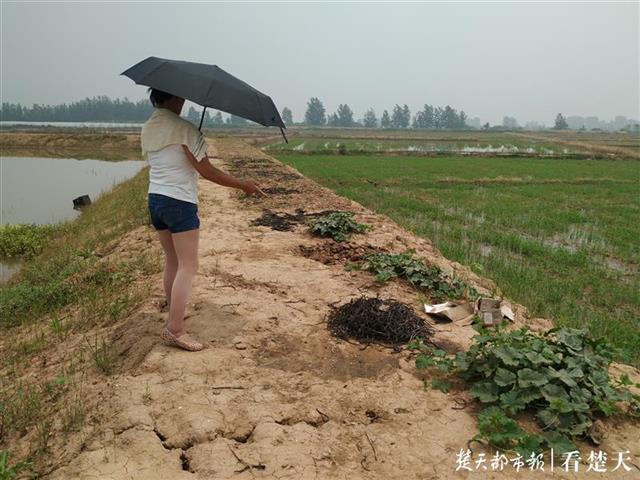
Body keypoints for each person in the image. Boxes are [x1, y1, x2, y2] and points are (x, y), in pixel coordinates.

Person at [141, 88, 265, 351]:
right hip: (179, 202)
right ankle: (175, 329)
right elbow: (206, 170)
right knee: (189, 265)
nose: (183, 100)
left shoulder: (148, 126)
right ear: (175, 98)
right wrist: (242, 185)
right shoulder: (185, 129)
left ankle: (175, 311)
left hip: (156, 200)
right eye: (181, 97)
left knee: (172, 260)